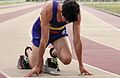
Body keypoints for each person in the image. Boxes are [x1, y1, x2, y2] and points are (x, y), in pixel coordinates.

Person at [19, 0, 92, 77]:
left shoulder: (76, 14)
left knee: (67, 59)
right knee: (37, 67)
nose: (65, 22)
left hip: (58, 32)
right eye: (65, 19)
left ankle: (54, 52)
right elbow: (44, 39)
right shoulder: (48, 9)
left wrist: (81, 65)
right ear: (61, 10)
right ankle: (29, 51)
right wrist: (37, 65)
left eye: (68, 21)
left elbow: (77, 40)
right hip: (41, 32)